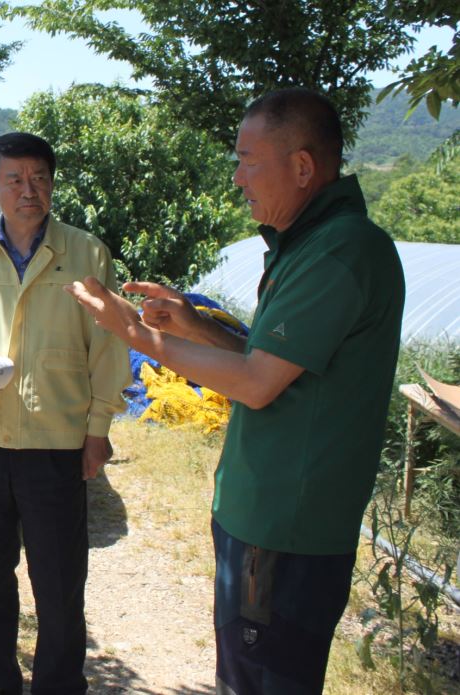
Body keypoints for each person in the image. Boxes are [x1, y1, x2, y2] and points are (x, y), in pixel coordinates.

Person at [69, 88, 405, 694]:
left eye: (249, 160)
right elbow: (272, 362)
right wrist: (193, 325)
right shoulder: (308, 243)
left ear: (302, 167)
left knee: (262, 679)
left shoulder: (341, 251)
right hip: (263, 515)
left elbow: (255, 383)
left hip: (287, 527)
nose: (236, 177)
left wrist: (138, 335)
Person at [0, 132, 130, 695]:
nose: (28, 190)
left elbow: (109, 348)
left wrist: (98, 430)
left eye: (38, 178)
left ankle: (59, 685)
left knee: (59, 578)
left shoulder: (87, 254)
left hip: (56, 440)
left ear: (52, 184)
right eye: (14, 179)